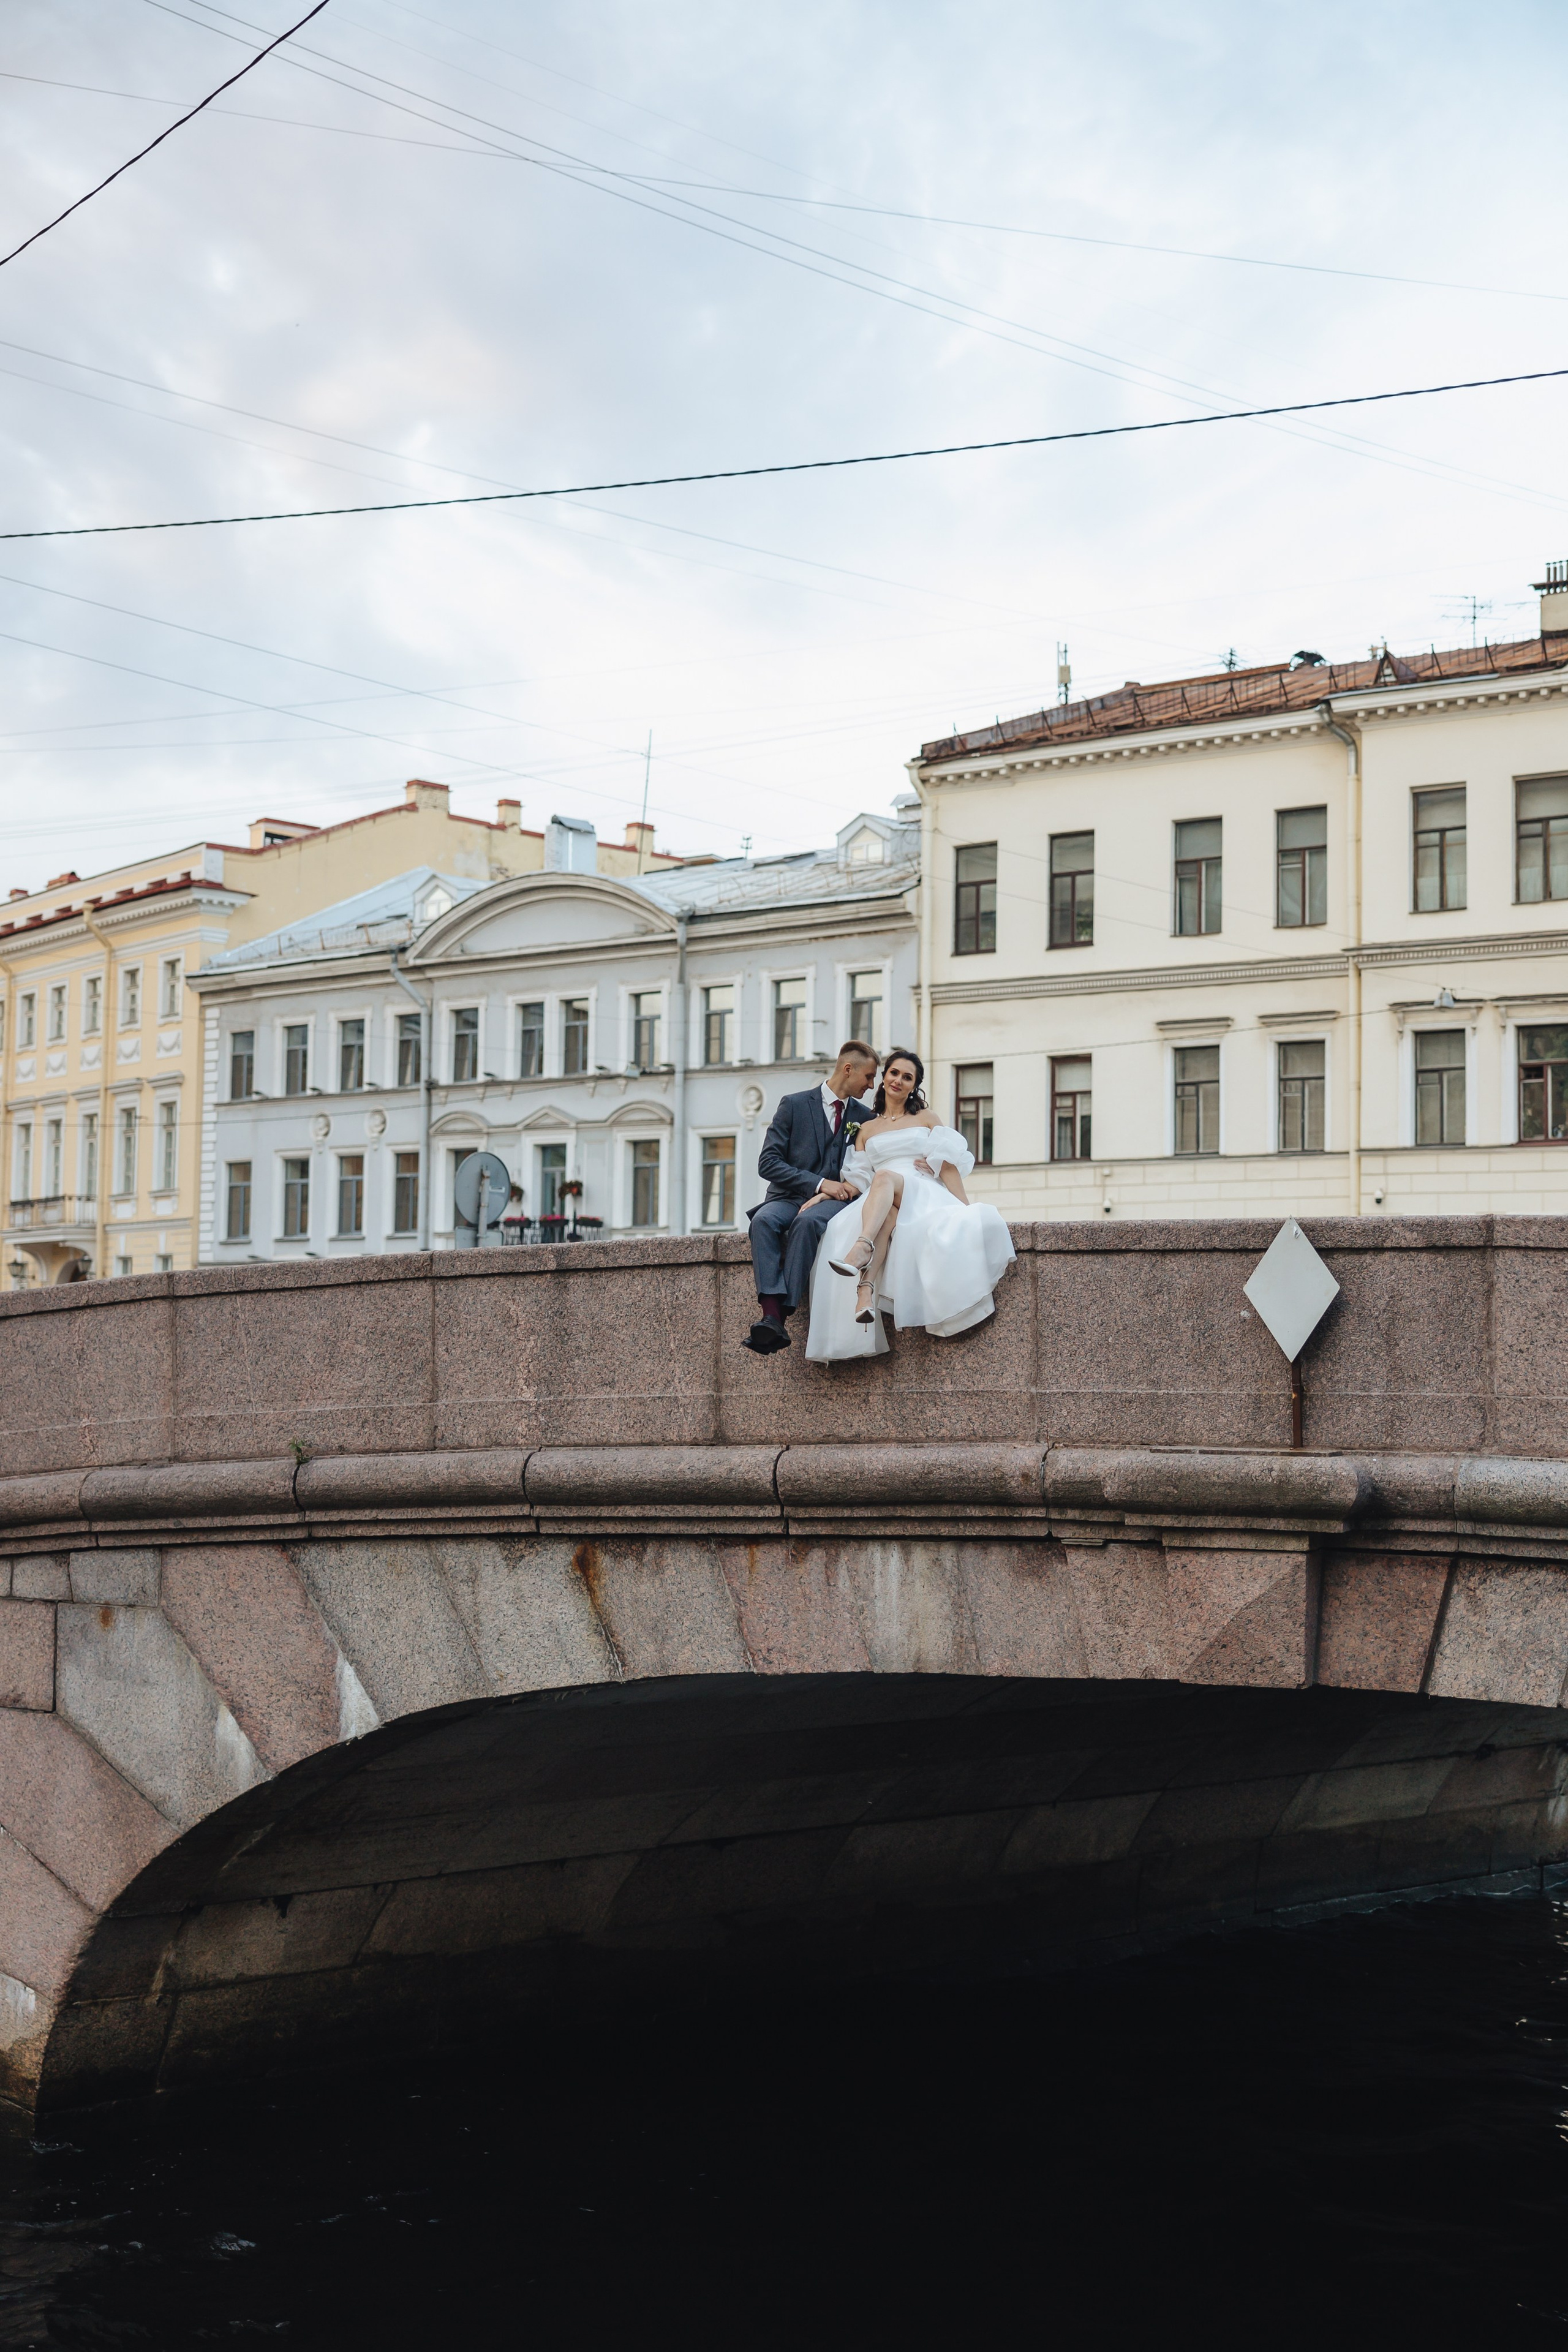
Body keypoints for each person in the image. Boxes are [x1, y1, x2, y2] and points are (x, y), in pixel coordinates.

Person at [805, 1047, 1015, 1360]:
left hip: (919, 1189)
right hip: (882, 1197)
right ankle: (865, 1290)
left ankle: (862, 1249)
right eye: (894, 1073)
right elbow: (858, 1180)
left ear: (914, 1086)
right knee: (884, 1205)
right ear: (884, 1077)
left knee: (886, 1177)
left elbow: (947, 1166)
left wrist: (964, 1207)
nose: (899, 1081)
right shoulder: (866, 1129)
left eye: (908, 1078)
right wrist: (825, 1192)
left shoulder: (926, 1118)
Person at [742, 1039, 880, 1355]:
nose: (871, 1086)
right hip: (786, 1196)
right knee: (762, 1222)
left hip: (837, 1202)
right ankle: (771, 1315)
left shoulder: (866, 1117)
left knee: (806, 1225)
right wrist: (819, 1183)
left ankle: (778, 1315)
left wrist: (834, 1190)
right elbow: (768, 1163)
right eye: (869, 1077)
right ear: (848, 1069)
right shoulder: (793, 1104)